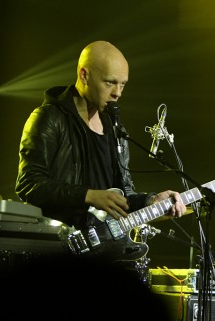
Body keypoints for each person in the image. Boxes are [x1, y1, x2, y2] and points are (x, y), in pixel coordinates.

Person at [15, 40, 186, 244]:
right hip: (61, 246)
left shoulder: (115, 130)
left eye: (123, 84)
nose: (118, 93)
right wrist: (88, 196)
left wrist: (150, 200)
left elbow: (123, 197)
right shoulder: (49, 118)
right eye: (110, 82)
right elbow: (28, 184)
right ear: (84, 75)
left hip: (106, 249)